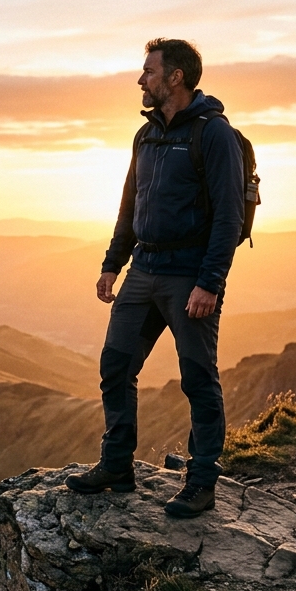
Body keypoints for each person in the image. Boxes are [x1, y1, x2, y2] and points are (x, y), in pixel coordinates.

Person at [65, 38, 245, 518]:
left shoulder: (214, 134)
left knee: (198, 379)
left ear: (175, 77)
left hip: (189, 276)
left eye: (148, 71)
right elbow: (130, 202)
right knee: (115, 367)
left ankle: (202, 480)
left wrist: (210, 282)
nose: (140, 79)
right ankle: (117, 465)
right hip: (143, 271)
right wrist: (112, 263)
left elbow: (228, 216)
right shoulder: (145, 136)